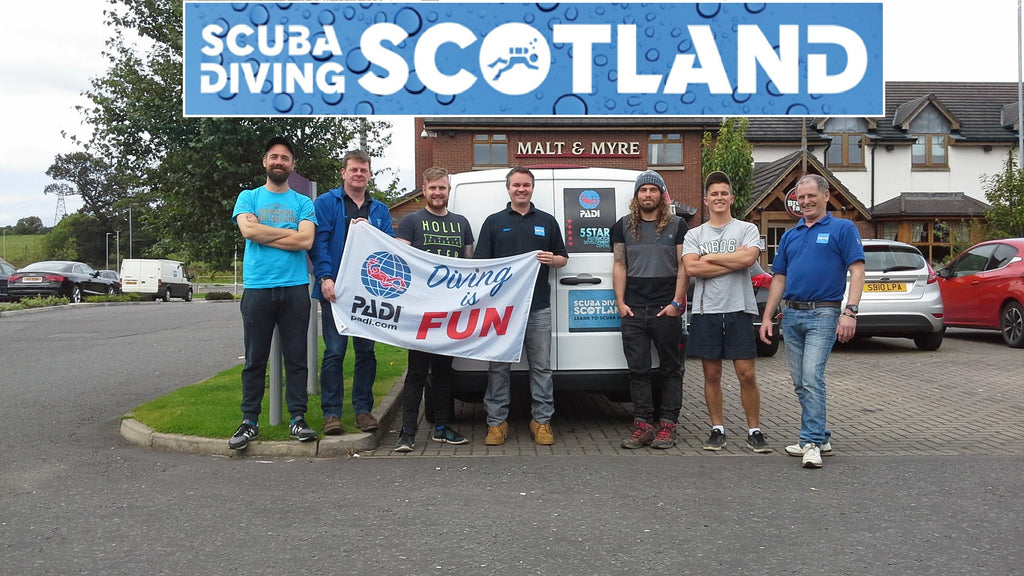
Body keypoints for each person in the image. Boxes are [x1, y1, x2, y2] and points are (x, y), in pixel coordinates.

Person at [759, 173, 864, 469]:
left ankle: (812, 442)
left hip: (824, 313)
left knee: (811, 378)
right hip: (791, 315)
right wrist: (768, 316)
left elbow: (857, 271)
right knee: (800, 383)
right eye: (800, 197)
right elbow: (779, 277)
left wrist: (850, 312)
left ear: (826, 196)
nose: (805, 202)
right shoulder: (791, 236)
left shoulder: (843, 228)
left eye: (810, 196)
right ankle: (822, 436)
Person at [228, 136, 318, 450]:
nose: (279, 162)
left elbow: (306, 242)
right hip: (257, 289)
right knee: (255, 359)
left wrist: (265, 233)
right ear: (265, 162)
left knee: (296, 359)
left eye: (285, 158)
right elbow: (248, 231)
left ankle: (298, 419)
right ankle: (248, 422)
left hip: (294, 288)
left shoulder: (303, 202)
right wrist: (289, 234)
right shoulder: (248, 197)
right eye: (274, 157)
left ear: (292, 166)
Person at [474, 166, 568, 446]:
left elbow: (563, 257)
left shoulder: (548, 221)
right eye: (516, 185)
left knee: (541, 368)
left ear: (532, 188)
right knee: (498, 367)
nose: (521, 189)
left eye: (526, 185)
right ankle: (496, 423)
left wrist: (553, 260)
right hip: (502, 310)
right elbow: (481, 264)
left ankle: (542, 421)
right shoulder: (494, 221)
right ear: (508, 188)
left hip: (537, 306)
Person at [682, 171, 771, 454]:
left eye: (724, 193)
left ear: (731, 198)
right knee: (711, 375)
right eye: (714, 194)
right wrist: (734, 262)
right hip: (706, 312)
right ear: (706, 200)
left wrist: (710, 257)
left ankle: (754, 430)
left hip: (739, 309)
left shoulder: (747, 229)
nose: (719, 198)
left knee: (746, 375)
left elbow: (749, 258)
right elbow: (692, 268)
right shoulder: (694, 233)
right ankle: (717, 428)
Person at [309, 150, 394, 435]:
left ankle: (363, 411)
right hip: (336, 291)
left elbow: (388, 249)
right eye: (354, 170)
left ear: (369, 175)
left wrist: (374, 233)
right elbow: (318, 243)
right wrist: (324, 277)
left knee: (366, 352)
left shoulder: (379, 210)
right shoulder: (326, 203)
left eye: (364, 170)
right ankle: (331, 414)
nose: (359, 174)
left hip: (368, 294)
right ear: (343, 173)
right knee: (334, 352)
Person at [392, 167, 474, 452]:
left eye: (442, 188)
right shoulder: (411, 222)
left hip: (450, 312)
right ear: (423, 190)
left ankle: (441, 427)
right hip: (420, 312)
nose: (437, 193)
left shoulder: (461, 223)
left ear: (448, 190)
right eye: (432, 188)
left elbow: (470, 263)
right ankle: (407, 433)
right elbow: (399, 263)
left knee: (443, 372)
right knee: (416, 372)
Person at [612, 170, 689, 450]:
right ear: (636, 195)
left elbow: (685, 266)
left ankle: (668, 424)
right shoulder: (622, 226)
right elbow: (620, 265)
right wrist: (621, 303)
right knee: (638, 371)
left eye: (653, 190)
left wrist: (676, 303)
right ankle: (643, 425)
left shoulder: (678, 225)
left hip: (665, 310)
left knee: (671, 370)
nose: (648, 195)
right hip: (634, 310)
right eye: (643, 190)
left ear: (661, 195)